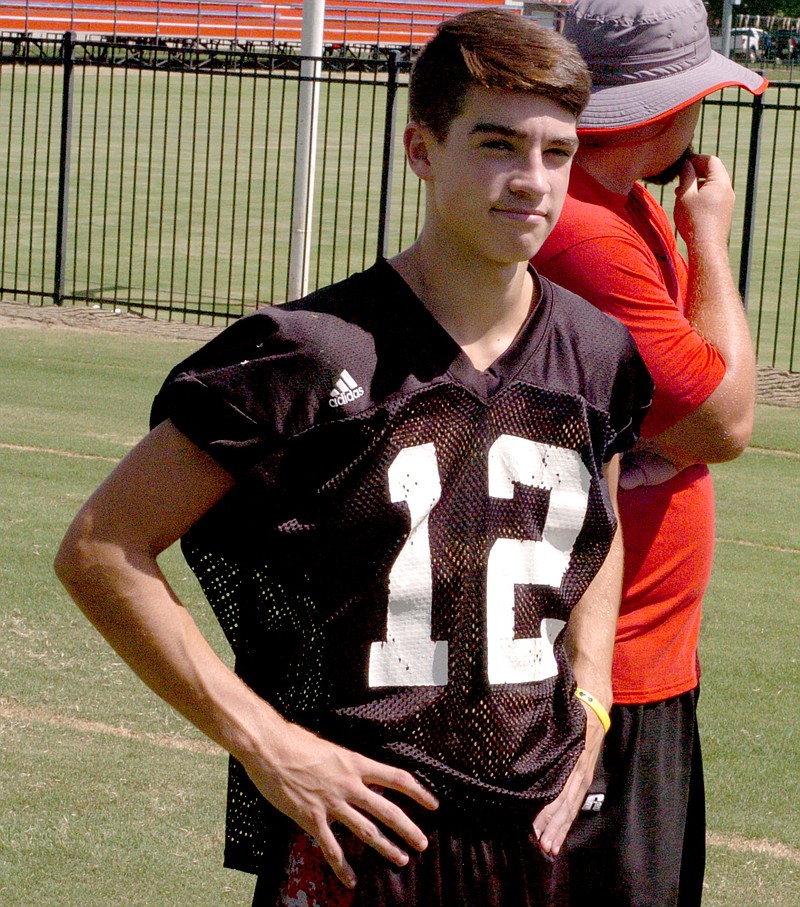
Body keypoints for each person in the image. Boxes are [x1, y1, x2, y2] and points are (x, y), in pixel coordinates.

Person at [55, 10, 653, 906]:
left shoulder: (600, 353)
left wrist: (595, 695)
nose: (532, 181)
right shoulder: (308, 352)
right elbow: (102, 547)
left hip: (535, 826)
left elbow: (595, 528)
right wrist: (268, 743)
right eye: (498, 145)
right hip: (359, 835)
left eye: (557, 152)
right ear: (420, 150)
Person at [533, 2, 767, 905]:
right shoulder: (589, 231)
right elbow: (721, 423)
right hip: (604, 680)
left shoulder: (620, 205)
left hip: (640, 662)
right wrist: (710, 237)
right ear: (670, 109)